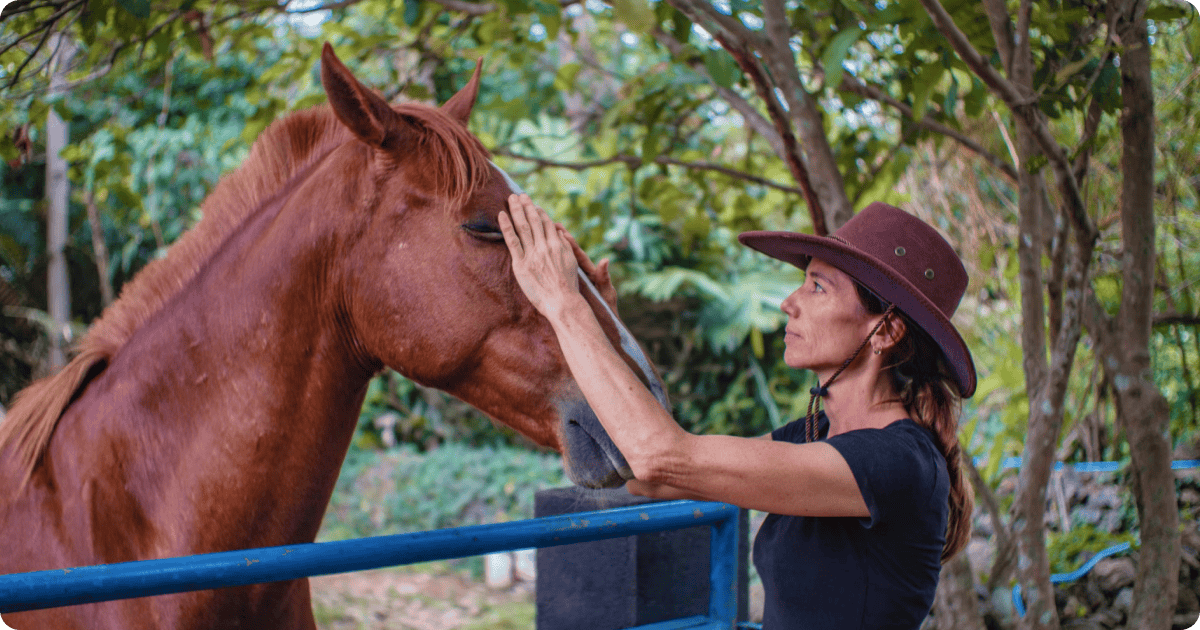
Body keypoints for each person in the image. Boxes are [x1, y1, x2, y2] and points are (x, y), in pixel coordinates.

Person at [498, 196, 976, 630]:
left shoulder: (898, 462)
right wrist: (601, 323)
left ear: (886, 330)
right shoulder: (814, 436)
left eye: (817, 287)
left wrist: (562, 305)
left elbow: (661, 456)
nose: (790, 302)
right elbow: (652, 476)